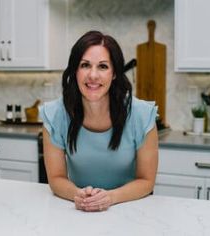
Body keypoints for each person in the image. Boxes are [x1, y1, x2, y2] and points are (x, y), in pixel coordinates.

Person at [39, 30, 158, 212]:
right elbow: (56, 178)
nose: (93, 75)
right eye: (85, 65)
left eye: (103, 66)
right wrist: (78, 195)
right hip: (79, 210)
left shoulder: (141, 114)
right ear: (75, 70)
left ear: (115, 73)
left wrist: (110, 197)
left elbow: (146, 181)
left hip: (131, 209)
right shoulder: (55, 115)